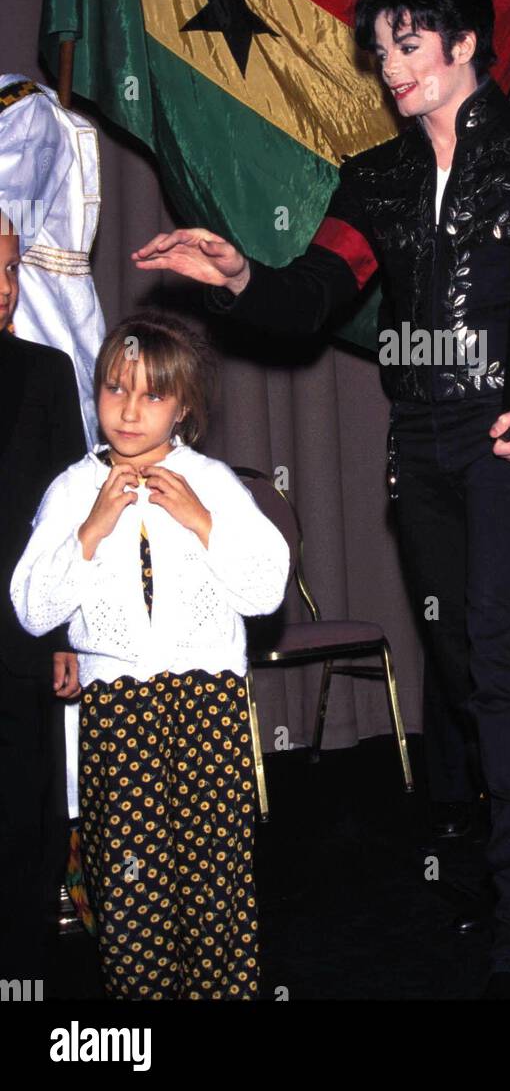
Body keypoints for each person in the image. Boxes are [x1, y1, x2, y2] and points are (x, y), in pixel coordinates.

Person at [131, 0, 510, 998]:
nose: (389, 67)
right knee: (462, 673)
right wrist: (235, 276)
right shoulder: (377, 177)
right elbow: (312, 295)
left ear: (461, 44)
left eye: (408, 45)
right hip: (421, 448)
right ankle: (500, 884)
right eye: (380, 50)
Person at [11, 309, 291, 999]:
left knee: (215, 883)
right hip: (121, 714)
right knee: (134, 895)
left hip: (208, 709)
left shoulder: (213, 483)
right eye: (115, 389)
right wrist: (91, 529)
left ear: (184, 407)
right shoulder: (74, 489)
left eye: (152, 394)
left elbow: (266, 588)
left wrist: (201, 520)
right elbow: (31, 606)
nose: (130, 410)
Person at [0, 207, 85, 988]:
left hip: (22, 639)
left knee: (28, 818)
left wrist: (65, 633)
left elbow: (64, 521)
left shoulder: (46, 371)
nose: (3, 289)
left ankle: (23, 974)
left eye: (10, 269)